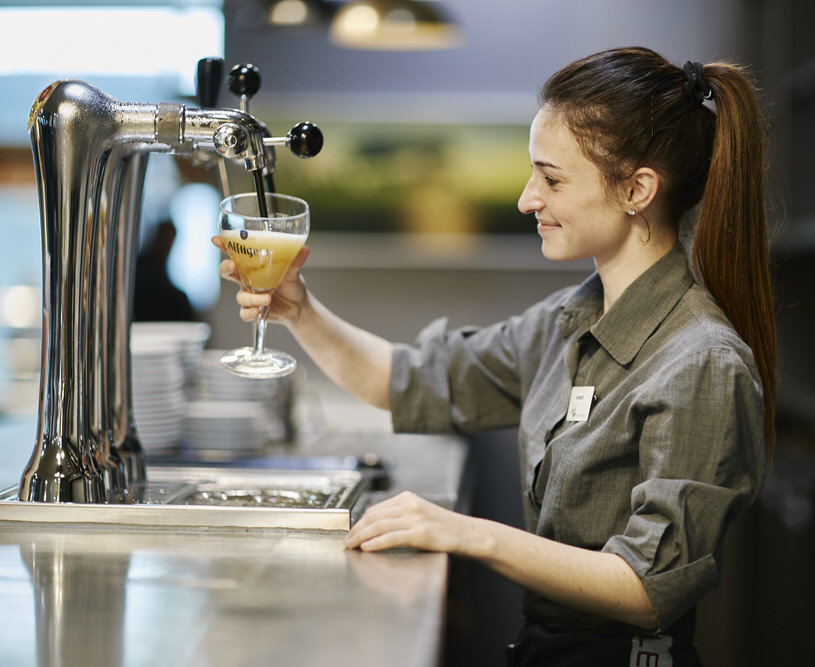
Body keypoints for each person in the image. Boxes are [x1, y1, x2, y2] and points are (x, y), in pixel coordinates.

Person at [214, 46, 776, 667]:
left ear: (638, 189)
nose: (526, 199)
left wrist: (464, 531)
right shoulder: (571, 319)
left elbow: (646, 588)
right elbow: (411, 382)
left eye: (552, 179)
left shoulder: (702, 361)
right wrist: (300, 311)